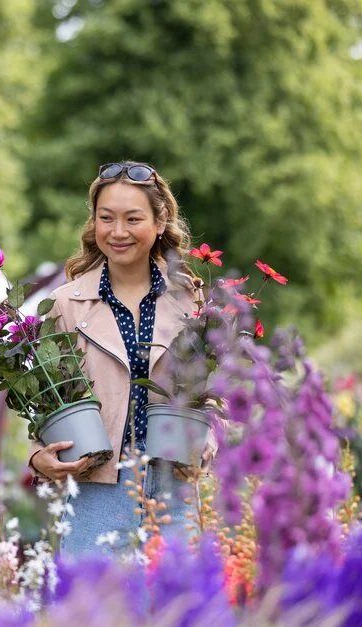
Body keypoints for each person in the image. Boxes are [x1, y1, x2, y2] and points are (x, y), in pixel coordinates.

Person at [27, 160, 220, 557]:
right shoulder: (67, 303)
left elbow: (208, 386)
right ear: (93, 222)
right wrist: (38, 457)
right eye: (106, 218)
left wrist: (211, 432)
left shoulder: (189, 298)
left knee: (176, 611)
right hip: (95, 489)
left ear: (159, 222)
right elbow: (48, 394)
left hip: (172, 481)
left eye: (132, 219)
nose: (117, 232)